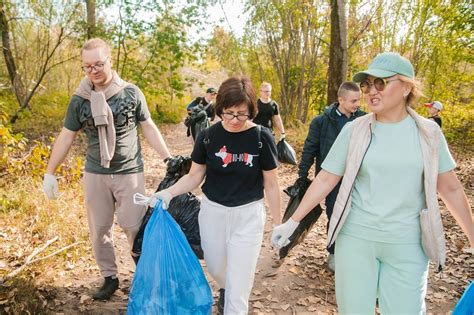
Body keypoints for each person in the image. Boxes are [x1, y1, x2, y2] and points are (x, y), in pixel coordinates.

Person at [271, 52, 473, 314]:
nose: (371, 91)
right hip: (356, 239)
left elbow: (451, 188)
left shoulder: (428, 133)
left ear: (406, 87)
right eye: (367, 85)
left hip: (407, 244)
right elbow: (326, 177)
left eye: (381, 83)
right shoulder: (354, 130)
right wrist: (292, 222)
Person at [42, 38, 171, 301]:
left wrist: (168, 158)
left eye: (98, 64)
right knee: (100, 229)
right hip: (95, 174)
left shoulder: (131, 93)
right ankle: (110, 278)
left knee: (134, 226)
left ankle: (145, 277)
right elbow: (66, 136)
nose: (93, 71)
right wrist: (50, 172)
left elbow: (148, 127)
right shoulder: (79, 100)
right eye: (87, 67)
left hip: (130, 172)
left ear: (110, 60)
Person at [151, 76, 281, 314]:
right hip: (213, 212)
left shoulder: (262, 138)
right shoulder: (208, 136)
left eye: (241, 114)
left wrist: (279, 224)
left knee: (239, 289)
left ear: (251, 110)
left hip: (248, 215)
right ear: (219, 108)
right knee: (217, 268)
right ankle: (225, 287)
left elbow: (271, 184)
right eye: (228, 113)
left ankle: (232, 299)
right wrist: (167, 193)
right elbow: (195, 175)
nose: (233, 120)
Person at [296, 81, 365, 271]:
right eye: (353, 100)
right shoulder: (321, 121)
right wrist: (302, 175)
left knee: (355, 216)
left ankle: (353, 253)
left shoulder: (364, 120)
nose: (357, 104)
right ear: (340, 99)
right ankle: (334, 252)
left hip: (356, 178)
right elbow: (310, 149)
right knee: (334, 214)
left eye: (359, 100)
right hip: (330, 178)